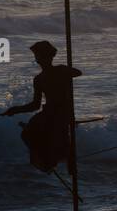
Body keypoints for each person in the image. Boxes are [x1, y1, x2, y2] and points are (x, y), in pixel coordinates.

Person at [5, 40, 82, 172]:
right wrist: (16, 110)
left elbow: (78, 72)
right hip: (48, 113)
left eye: (40, 55)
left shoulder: (60, 70)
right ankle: (47, 160)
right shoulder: (38, 79)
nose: (38, 59)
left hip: (62, 113)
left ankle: (53, 158)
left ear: (49, 57)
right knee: (27, 134)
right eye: (37, 56)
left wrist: (66, 71)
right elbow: (35, 105)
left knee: (41, 131)